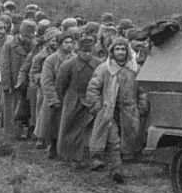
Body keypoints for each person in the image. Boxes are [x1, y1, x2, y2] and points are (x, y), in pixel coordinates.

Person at [85, 37, 148, 183]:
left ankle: (120, 163)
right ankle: (116, 170)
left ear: (127, 51)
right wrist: (96, 105)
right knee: (114, 140)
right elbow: (93, 88)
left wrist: (142, 105)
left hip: (129, 112)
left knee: (127, 140)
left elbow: (143, 90)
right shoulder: (104, 68)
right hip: (109, 111)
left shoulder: (135, 69)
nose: (120, 52)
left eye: (123, 49)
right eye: (117, 49)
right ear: (112, 51)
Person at [56, 35, 103, 165]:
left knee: (93, 128)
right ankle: (70, 156)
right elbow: (60, 84)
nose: (87, 54)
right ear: (79, 50)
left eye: (89, 51)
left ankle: (92, 156)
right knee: (70, 127)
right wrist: (67, 98)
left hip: (93, 99)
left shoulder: (99, 64)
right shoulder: (68, 65)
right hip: (73, 99)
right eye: (84, 51)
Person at [37, 31, 77, 158]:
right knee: (52, 123)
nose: (69, 45)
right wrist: (53, 99)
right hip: (54, 95)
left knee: (68, 124)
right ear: (60, 44)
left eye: (71, 42)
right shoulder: (51, 60)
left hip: (70, 96)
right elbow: (46, 81)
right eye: (66, 42)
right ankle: (51, 146)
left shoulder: (76, 59)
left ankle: (67, 149)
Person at [0, 20, 36, 140]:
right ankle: (12, 133)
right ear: (21, 34)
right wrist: (6, 85)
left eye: (31, 37)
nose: (29, 39)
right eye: (27, 36)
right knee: (12, 108)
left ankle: (29, 131)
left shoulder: (34, 46)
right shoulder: (9, 46)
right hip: (14, 83)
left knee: (28, 108)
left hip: (28, 82)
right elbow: (4, 67)